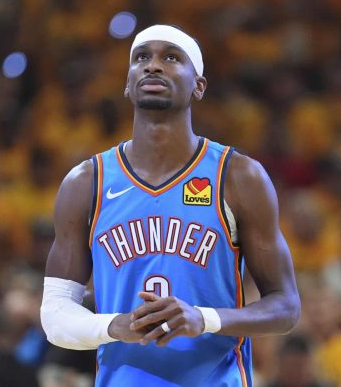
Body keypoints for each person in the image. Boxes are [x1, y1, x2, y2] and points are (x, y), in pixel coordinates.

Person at [41, 24, 301, 386]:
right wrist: (115, 325)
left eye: (171, 57)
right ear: (127, 84)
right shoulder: (86, 182)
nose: (153, 65)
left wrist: (204, 319)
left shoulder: (238, 176)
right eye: (141, 57)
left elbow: (286, 306)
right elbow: (55, 316)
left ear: (199, 85)